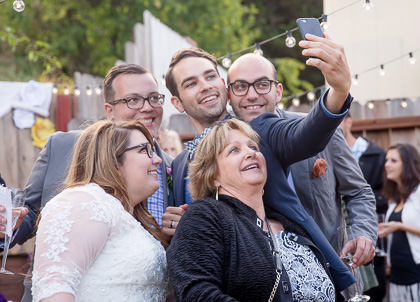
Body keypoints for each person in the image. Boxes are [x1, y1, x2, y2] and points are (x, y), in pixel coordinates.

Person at [163, 33, 357, 290]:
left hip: (276, 278)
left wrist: (338, 91)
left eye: (210, 77)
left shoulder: (258, 131)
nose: (206, 86)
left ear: (223, 86)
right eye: (191, 83)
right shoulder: (178, 165)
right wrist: (178, 226)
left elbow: (305, 136)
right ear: (177, 102)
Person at [2, 64, 174, 302]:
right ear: (109, 110)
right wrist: (7, 228)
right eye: (133, 100)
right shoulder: (62, 147)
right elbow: (31, 213)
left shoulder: (172, 168)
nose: (147, 107)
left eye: (154, 98)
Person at [226, 53, 377, 269]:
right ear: (228, 95)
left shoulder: (321, 130)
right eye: (240, 86)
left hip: (329, 269)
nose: (252, 95)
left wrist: (362, 233)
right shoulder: (222, 147)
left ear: (278, 92)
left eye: (262, 84)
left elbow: (358, 191)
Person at [168, 118, 337, 301]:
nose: (250, 153)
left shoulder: (288, 223)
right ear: (212, 176)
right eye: (234, 150)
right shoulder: (204, 216)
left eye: (254, 147)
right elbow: (196, 293)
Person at [32, 120, 169, 301]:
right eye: (144, 150)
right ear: (112, 160)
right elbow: (54, 287)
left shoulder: (132, 219)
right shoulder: (84, 202)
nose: (158, 159)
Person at [378, 143, 420, 301]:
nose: (387, 164)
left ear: (407, 165)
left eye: (393, 161)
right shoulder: (394, 199)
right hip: (397, 276)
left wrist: (399, 226)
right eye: (387, 160)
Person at [341, 113, 388, 300]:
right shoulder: (326, 152)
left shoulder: (375, 154)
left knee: (374, 286)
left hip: (371, 227)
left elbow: (386, 194)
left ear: (349, 122)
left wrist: (359, 197)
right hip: (340, 231)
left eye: (339, 122)